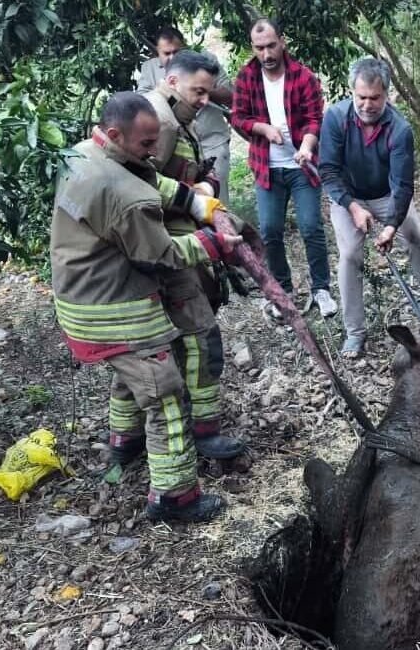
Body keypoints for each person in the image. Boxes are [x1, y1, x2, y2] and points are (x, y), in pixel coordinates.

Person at [50, 92, 247, 521]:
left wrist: (198, 202)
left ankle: (126, 444)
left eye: (157, 141)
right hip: (114, 308)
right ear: (116, 134)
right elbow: (161, 256)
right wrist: (212, 242)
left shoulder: (86, 153)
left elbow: (147, 176)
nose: (155, 152)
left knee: (131, 374)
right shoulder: (125, 198)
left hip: (78, 299)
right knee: (165, 394)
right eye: (145, 145)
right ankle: (175, 498)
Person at [143, 51, 245, 458]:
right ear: (171, 81)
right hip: (169, 251)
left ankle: (126, 443)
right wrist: (197, 199)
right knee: (202, 336)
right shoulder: (163, 123)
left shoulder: (172, 115)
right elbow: (146, 193)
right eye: (197, 91)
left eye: (207, 92)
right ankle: (205, 433)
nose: (204, 100)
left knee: (161, 347)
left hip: (170, 245)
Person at [319, 57, 420, 359]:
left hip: (387, 194)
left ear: (387, 94)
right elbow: (328, 172)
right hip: (348, 196)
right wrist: (352, 207)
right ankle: (354, 332)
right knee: (349, 255)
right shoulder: (335, 118)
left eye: (374, 98)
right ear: (352, 92)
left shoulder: (400, 129)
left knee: (414, 237)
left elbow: (402, 186)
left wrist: (390, 226)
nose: (367, 104)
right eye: (361, 97)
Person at [231, 18, 336, 319]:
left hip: (300, 166)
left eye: (271, 46)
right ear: (253, 47)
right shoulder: (247, 77)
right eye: (259, 48)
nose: (266, 54)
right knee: (270, 230)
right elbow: (238, 118)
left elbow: (315, 118)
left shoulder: (303, 76)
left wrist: (307, 146)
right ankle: (283, 290)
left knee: (310, 227)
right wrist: (262, 128)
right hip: (267, 168)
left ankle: (321, 289)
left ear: (282, 41)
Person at [137, 27, 235, 205]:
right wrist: (192, 202)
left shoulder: (184, 112)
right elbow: (143, 178)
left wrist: (207, 186)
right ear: (172, 82)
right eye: (167, 53)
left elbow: (230, 95)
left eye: (178, 51)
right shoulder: (163, 121)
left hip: (212, 141)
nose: (173, 57)